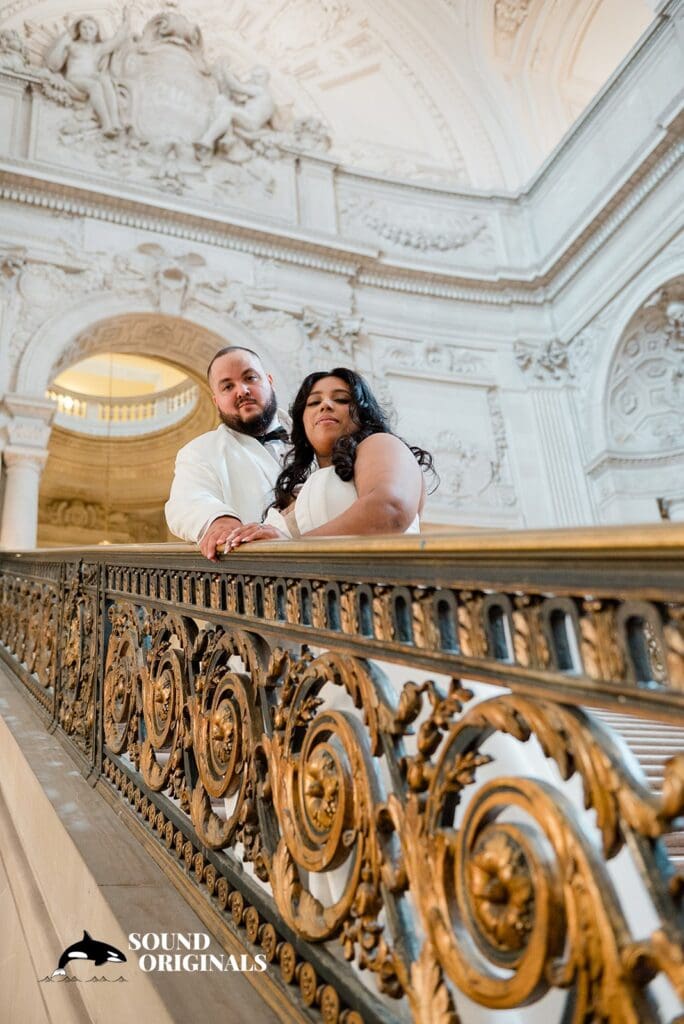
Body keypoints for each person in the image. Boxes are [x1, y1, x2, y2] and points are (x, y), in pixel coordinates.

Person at [224, 368, 434, 547]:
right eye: (314, 402)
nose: (325, 405)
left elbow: (390, 510)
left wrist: (290, 548)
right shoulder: (303, 489)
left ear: (362, 413)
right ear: (302, 422)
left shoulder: (380, 443)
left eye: (341, 399)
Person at [165, 346, 290, 560]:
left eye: (250, 378)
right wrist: (220, 520)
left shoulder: (313, 434)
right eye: (227, 386)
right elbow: (187, 501)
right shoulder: (198, 451)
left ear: (270, 381)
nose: (241, 391)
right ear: (216, 401)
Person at [44, 12, 129, 137]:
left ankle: (114, 121)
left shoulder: (97, 49)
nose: (87, 31)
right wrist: (64, 41)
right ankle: (106, 123)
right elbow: (53, 65)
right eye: (84, 27)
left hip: (91, 77)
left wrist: (127, 21)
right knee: (94, 85)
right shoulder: (72, 46)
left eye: (91, 28)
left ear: (96, 32)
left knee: (105, 79)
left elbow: (116, 41)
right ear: (79, 29)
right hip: (75, 78)